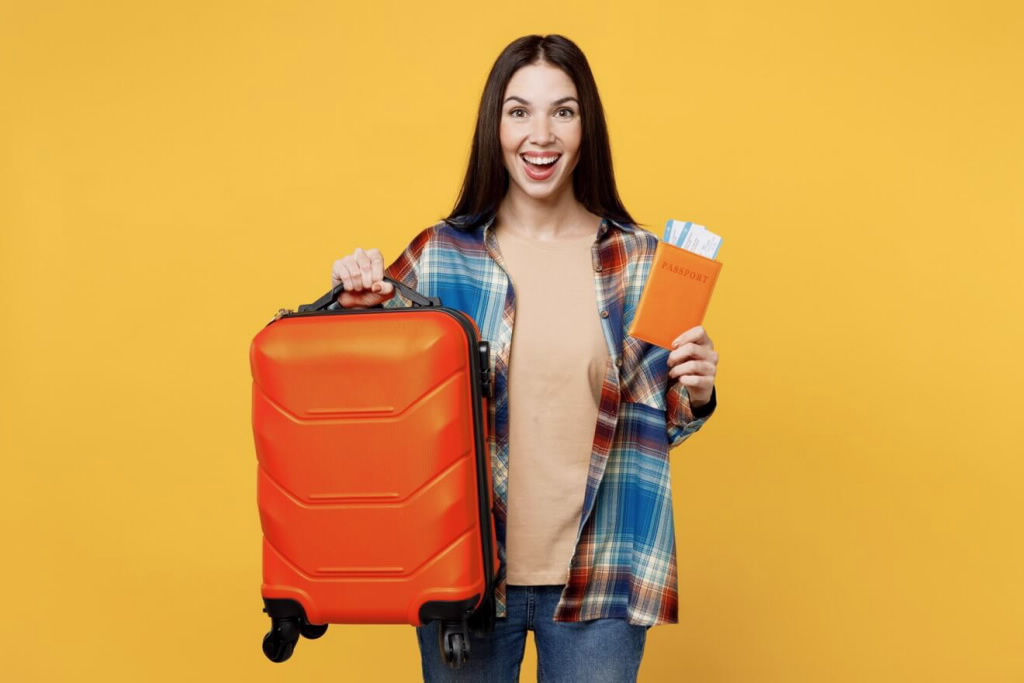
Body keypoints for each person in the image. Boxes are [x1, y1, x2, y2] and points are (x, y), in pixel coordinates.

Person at [330, 34, 718, 682]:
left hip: (600, 580)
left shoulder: (641, 261)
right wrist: (356, 302)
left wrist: (697, 389)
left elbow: (666, 417)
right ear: (496, 125)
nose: (541, 134)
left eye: (562, 111)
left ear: (585, 125)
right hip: (467, 577)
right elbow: (372, 404)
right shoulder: (439, 256)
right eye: (520, 111)